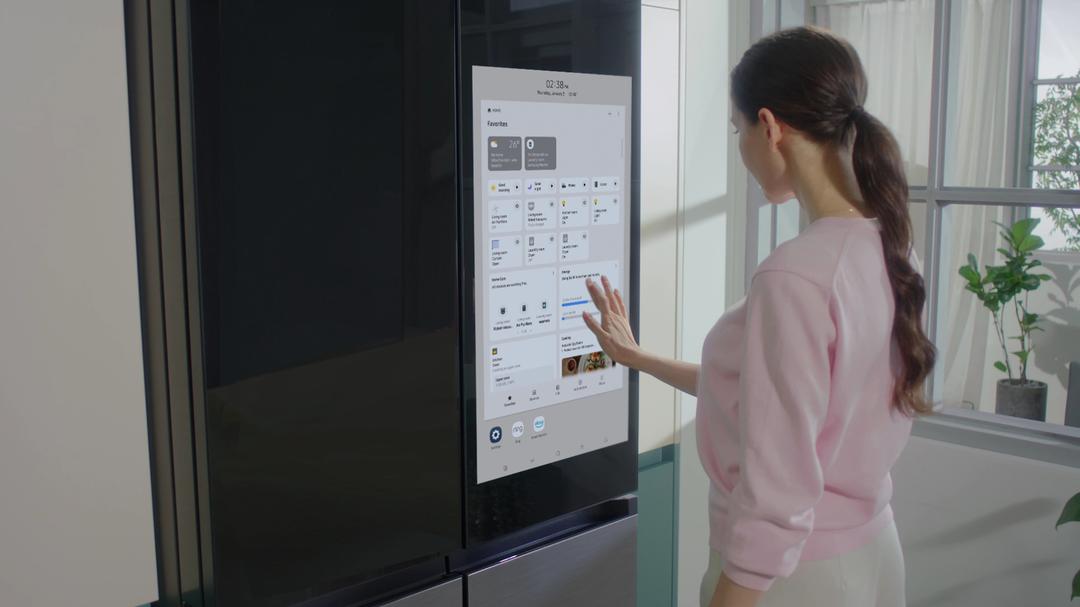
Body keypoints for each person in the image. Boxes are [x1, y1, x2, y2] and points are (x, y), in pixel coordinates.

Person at [581, 26, 936, 607]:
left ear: (769, 127)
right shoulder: (889, 246)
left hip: (795, 579)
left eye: (736, 129)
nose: (740, 146)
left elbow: (778, 490)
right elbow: (769, 398)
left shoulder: (794, 276)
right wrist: (637, 357)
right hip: (872, 554)